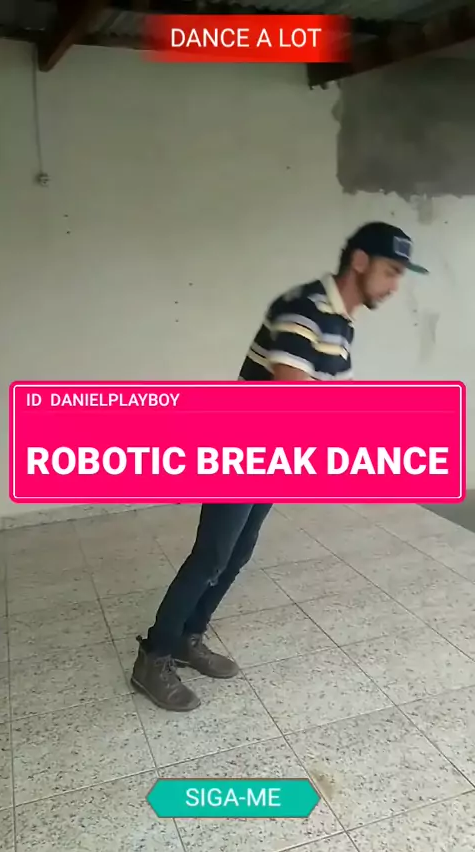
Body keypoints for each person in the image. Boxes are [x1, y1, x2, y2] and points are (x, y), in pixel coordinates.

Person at [131, 221, 428, 712]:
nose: (395, 286)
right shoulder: (303, 309)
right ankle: (154, 656)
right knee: (211, 557)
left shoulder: (341, 322)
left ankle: (188, 636)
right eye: (391, 271)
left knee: (236, 555)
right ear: (360, 261)